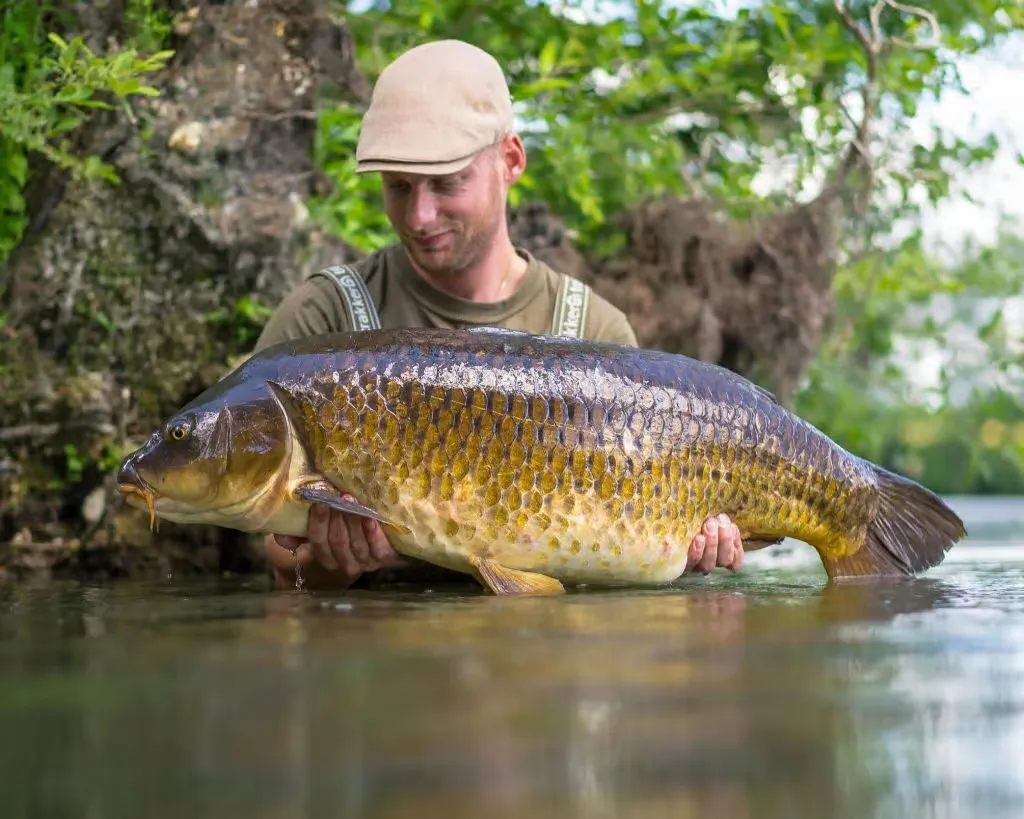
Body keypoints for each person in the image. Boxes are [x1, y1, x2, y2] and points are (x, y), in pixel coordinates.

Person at [252, 39, 747, 591]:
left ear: (510, 161)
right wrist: (326, 562)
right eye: (398, 187)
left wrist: (695, 541)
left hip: (539, 661)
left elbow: (616, 589)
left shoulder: (593, 329)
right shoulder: (322, 322)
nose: (419, 215)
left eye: (446, 184)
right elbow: (273, 557)